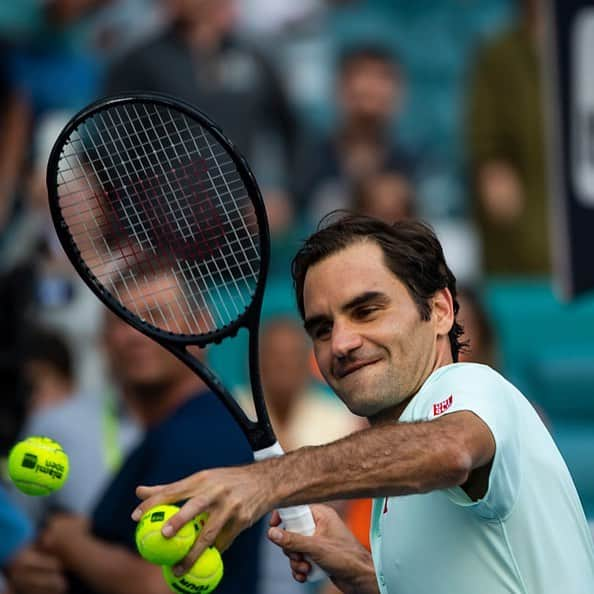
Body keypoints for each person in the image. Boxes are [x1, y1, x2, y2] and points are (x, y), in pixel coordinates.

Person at [131, 214, 594, 593]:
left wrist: (268, 481)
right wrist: (359, 570)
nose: (342, 343)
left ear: (440, 311)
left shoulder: (473, 384)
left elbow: (449, 450)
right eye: (322, 328)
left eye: (366, 310)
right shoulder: (399, 478)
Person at [6, 270, 262, 594]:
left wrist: (71, 542)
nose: (134, 333)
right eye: (120, 319)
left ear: (200, 323)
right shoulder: (173, 429)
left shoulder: (200, 436)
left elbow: (160, 587)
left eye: (154, 314)